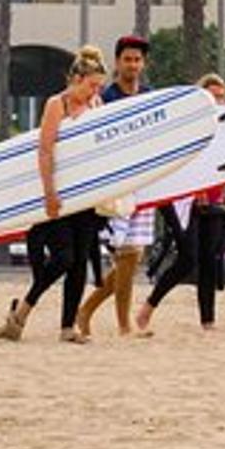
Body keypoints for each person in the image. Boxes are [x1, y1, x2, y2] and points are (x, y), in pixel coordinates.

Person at [0, 46, 108, 344]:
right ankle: (21, 313)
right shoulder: (58, 104)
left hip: (84, 197)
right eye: (91, 85)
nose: (94, 91)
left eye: (98, 87)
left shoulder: (96, 104)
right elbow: (45, 150)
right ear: (77, 78)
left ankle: (67, 328)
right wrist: (49, 193)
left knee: (79, 262)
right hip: (58, 195)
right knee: (64, 258)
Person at [73, 34, 157, 335]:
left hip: (144, 181)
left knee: (133, 258)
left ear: (143, 64)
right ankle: (107, 319)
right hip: (117, 185)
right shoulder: (107, 98)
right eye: (127, 59)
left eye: (137, 59)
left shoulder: (150, 96)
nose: (133, 65)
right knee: (127, 254)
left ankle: (98, 315)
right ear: (118, 63)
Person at [137, 73, 225, 334]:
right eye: (213, 96)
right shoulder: (187, 127)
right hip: (186, 202)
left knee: (209, 262)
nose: (218, 101)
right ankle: (148, 306)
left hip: (215, 201)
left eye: (222, 97)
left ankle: (208, 320)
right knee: (187, 259)